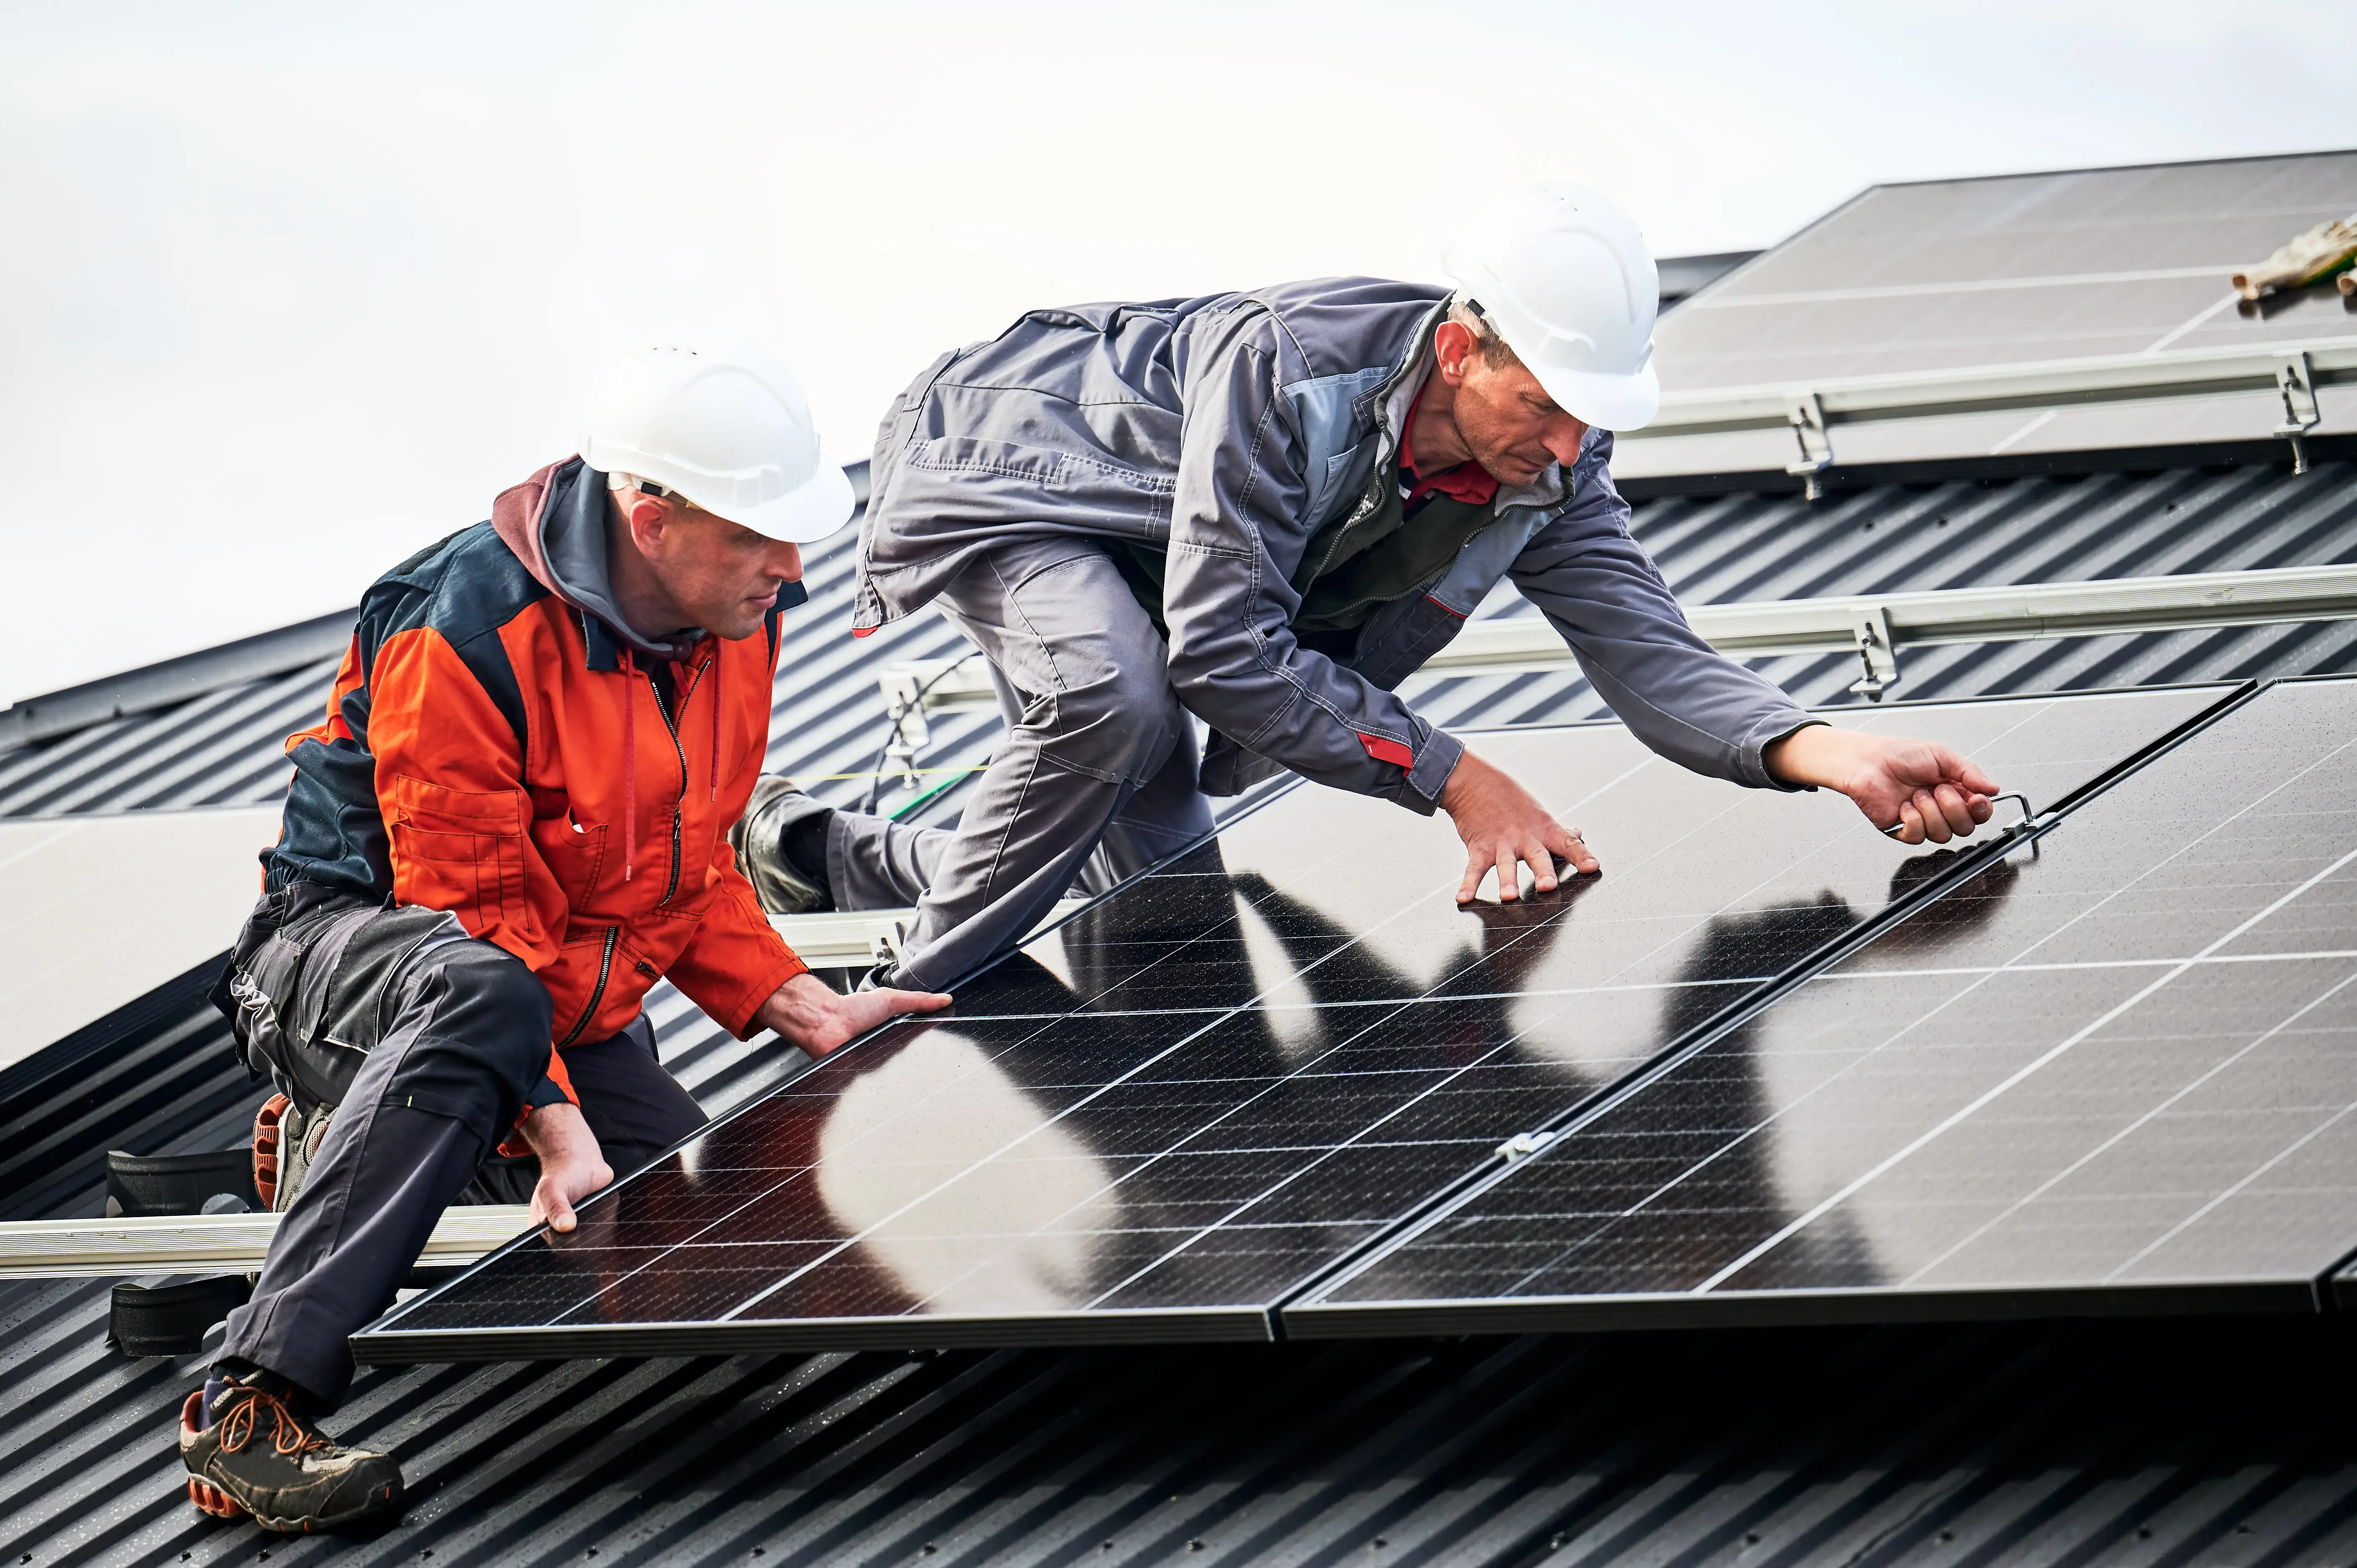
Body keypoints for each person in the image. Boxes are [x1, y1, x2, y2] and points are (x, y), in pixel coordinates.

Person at [733, 186, 1999, 987]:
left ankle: (815, 851)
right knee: (1114, 698)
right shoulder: (1291, 378)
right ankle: (899, 998)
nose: (1567, 446)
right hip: (1021, 468)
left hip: (1163, 554)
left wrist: (1822, 750)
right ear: (1462, 347)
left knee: (1172, 923)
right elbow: (1223, 653)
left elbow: (1651, 657)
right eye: (1545, 405)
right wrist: (1457, 774)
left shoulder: (1549, 473)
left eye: (1589, 419)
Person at [177, 338, 950, 1534]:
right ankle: (247, 1404)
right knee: (482, 1005)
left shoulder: (734, 624)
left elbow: (685, 864)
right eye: (758, 536)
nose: (791, 568)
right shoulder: (464, 627)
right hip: (348, 961)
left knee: (716, 1264)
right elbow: (463, 915)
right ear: (650, 520)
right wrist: (553, 1116)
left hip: (545, 994)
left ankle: (351, 1134)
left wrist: (804, 1001)